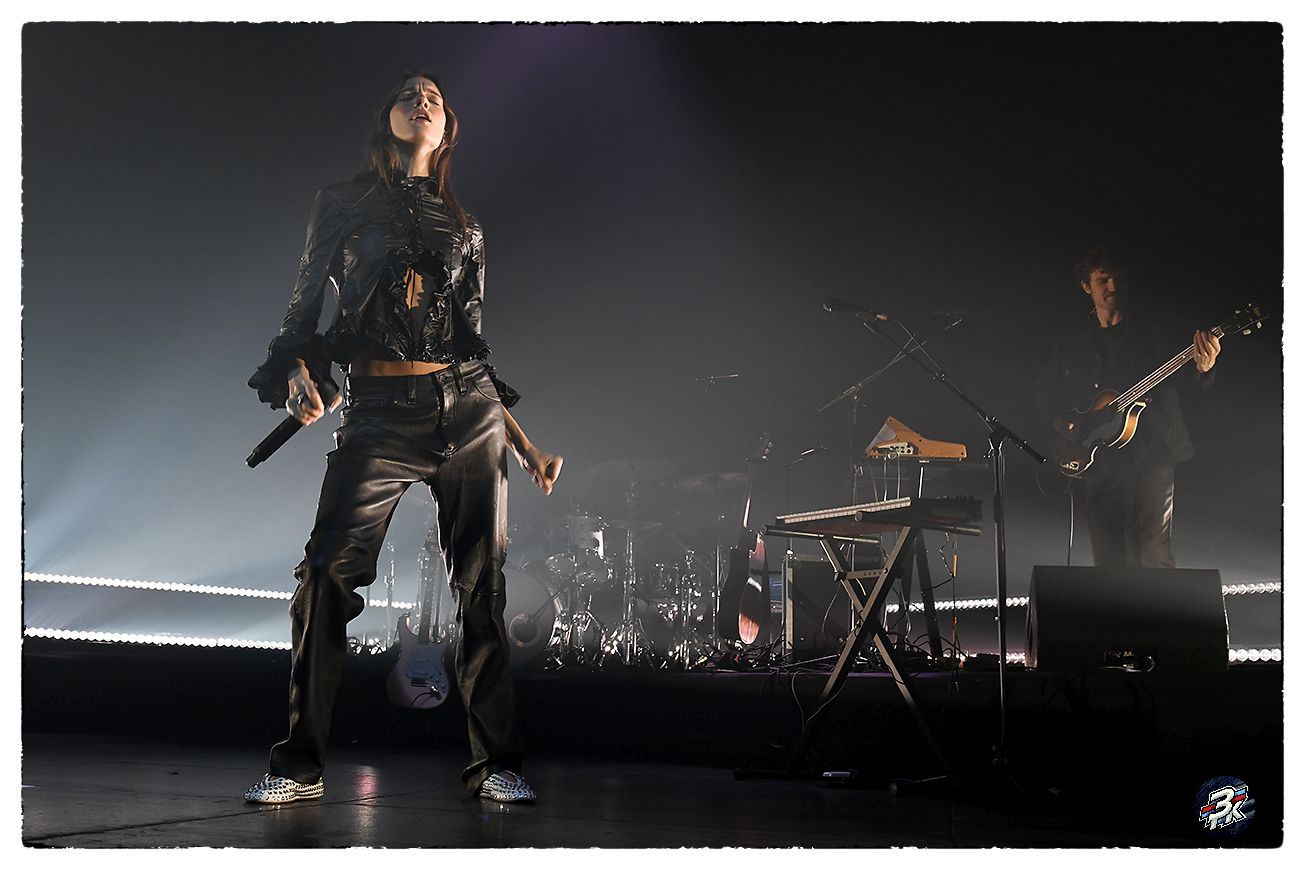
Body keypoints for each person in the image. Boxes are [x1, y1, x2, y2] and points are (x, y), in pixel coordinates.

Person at [242, 71, 563, 805]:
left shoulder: (466, 228)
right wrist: (298, 373)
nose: (423, 101)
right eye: (409, 94)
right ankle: (298, 766)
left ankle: (496, 765)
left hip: (469, 411)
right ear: (385, 117)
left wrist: (524, 442)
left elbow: (471, 344)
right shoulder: (340, 203)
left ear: (446, 131)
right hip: (379, 413)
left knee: (481, 587)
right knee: (326, 575)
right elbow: (300, 313)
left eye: (436, 99)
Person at [1036, 247, 1219, 569]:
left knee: (1153, 552)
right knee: (1108, 558)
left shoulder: (1157, 329)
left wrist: (1204, 369)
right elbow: (1048, 397)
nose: (1113, 286)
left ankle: (1160, 604)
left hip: (1152, 451)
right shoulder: (1072, 340)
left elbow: (1190, 386)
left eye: (1119, 278)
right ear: (1086, 286)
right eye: (1103, 280)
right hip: (1097, 457)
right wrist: (1063, 424)